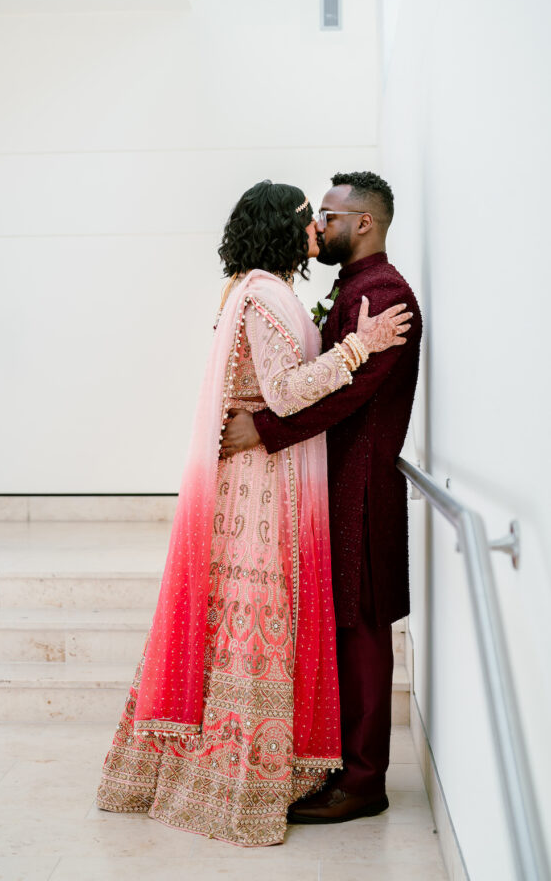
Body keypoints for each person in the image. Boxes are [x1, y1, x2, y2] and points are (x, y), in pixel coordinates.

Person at [96, 179, 412, 846]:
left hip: (276, 474)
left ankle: (285, 765)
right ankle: (243, 772)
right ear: (282, 227)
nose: (312, 229)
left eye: (321, 217)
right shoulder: (267, 293)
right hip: (262, 489)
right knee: (251, 627)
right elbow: (286, 390)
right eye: (307, 218)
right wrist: (356, 347)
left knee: (248, 629)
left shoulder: (260, 287)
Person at [220, 171, 423, 824]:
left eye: (330, 216)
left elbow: (347, 393)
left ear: (363, 223)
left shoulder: (386, 296)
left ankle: (365, 782)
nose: (318, 227)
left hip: (361, 493)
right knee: (340, 632)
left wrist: (263, 428)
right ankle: (338, 766)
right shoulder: (352, 289)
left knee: (362, 633)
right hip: (332, 489)